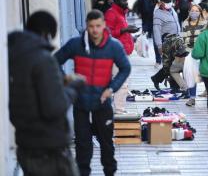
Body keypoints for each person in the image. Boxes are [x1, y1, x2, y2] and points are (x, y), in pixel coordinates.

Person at [55, 10, 131, 176]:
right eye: (91, 26)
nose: (95, 30)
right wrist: (66, 80)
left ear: (104, 25)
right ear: (87, 27)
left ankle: (110, 173)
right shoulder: (76, 44)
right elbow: (54, 61)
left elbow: (126, 68)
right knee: (83, 145)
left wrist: (111, 88)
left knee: (106, 144)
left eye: (98, 26)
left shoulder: (114, 46)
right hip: (80, 103)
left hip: (103, 103)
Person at [8, 11, 84, 176]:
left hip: (26, 145)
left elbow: (30, 94)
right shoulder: (43, 59)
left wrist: (60, 85)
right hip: (49, 149)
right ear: (46, 33)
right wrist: (73, 87)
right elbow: (54, 107)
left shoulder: (13, 57)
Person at [105, 0, 138, 114]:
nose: (126, 3)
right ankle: (119, 110)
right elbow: (107, 33)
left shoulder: (120, 12)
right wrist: (126, 29)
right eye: (124, 1)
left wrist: (129, 30)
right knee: (122, 83)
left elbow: (119, 30)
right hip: (115, 54)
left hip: (123, 53)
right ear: (117, 1)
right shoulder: (111, 13)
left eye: (126, 0)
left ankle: (119, 109)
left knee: (124, 82)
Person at [151, 0, 181, 89]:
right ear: (162, 3)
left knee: (173, 64)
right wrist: (159, 46)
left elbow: (177, 24)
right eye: (167, 2)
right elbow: (156, 31)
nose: (169, 4)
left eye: (170, 2)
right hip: (166, 42)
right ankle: (174, 86)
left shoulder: (172, 10)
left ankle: (158, 79)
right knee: (170, 65)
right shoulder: (158, 14)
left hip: (176, 40)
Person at [182, 5, 207, 106]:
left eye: (197, 11)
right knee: (192, 75)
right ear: (189, 12)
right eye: (192, 11)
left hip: (202, 53)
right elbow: (183, 39)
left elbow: (204, 39)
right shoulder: (185, 23)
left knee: (205, 74)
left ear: (200, 12)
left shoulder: (204, 23)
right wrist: (188, 52)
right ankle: (192, 98)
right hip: (190, 53)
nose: (194, 13)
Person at [151, 0, 166, 67]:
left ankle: (164, 59)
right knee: (156, 43)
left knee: (164, 43)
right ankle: (158, 60)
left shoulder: (167, 5)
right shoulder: (154, 3)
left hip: (165, 27)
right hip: (155, 26)